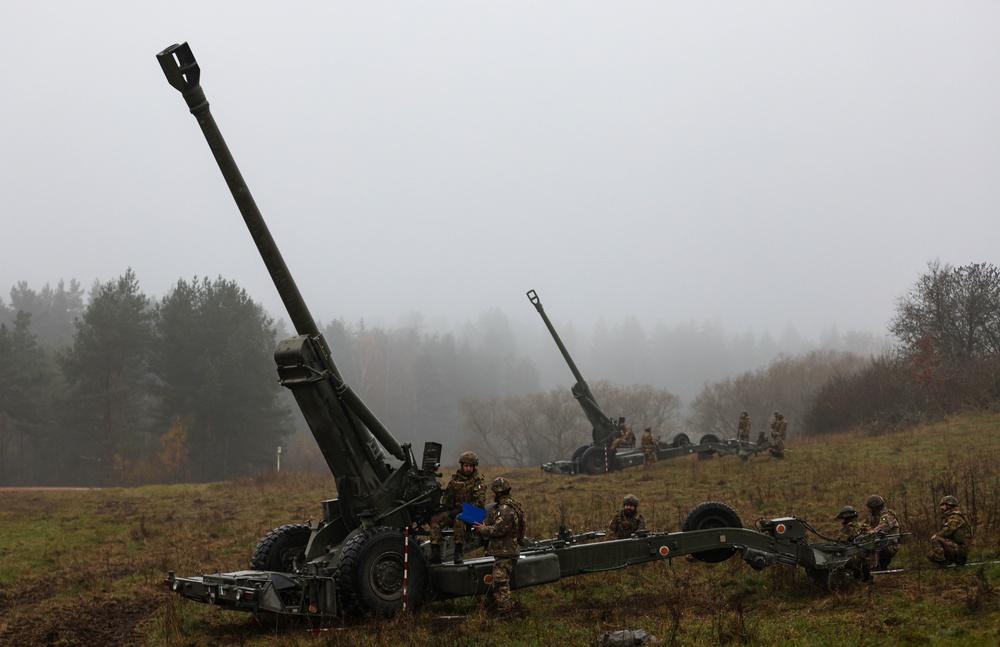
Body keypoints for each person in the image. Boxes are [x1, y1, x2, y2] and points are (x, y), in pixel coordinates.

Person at [473, 476, 526, 617]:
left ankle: (505, 613)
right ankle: (506, 610)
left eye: (494, 493)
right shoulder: (513, 506)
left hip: (505, 551)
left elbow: (500, 529)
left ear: (499, 492)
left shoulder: (505, 509)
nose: (492, 495)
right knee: (501, 581)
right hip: (507, 550)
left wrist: (483, 529)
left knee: (500, 582)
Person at [429, 451, 486, 565]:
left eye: (470, 466)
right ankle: (435, 552)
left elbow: (479, 503)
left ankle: (458, 552)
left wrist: (461, 510)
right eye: (466, 466)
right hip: (455, 512)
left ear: (474, 467)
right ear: (462, 465)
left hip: (473, 513)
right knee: (435, 519)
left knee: (459, 520)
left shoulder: (478, 482)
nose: (468, 469)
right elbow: (447, 500)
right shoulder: (455, 480)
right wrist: (442, 508)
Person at [928, 495, 972, 567]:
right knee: (931, 555)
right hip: (958, 547)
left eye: (943, 505)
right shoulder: (950, 516)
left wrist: (936, 535)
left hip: (962, 548)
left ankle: (943, 566)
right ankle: (956, 561)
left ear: (949, 505)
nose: (941, 507)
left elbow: (947, 531)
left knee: (935, 539)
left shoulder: (956, 516)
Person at [835, 506, 873, 579]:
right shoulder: (865, 526)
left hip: (859, 561)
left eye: (842, 519)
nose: (841, 521)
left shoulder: (848, 528)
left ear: (846, 518)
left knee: (837, 558)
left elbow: (838, 545)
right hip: (872, 561)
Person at [865, 494, 901, 569]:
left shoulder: (887, 516)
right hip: (883, 543)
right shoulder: (874, 516)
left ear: (875, 507)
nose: (868, 510)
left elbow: (882, 528)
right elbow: (865, 526)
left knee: (871, 545)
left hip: (889, 545)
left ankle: (875, 567)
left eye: (870, 508)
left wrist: (870, 532)